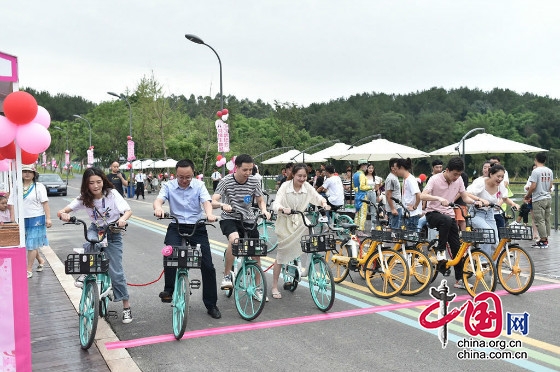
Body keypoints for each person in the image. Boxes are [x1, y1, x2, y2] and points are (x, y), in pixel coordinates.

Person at [57, 167, 133, 323]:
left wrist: (123, 219)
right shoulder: (84, 197)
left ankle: (126, 307)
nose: (95, 186)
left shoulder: (112, 194)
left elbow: (127, 210)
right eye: (91, 183)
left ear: (103, 181)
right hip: (96, 229)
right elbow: (64, 210)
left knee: (116, 272)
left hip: (113, 231)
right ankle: (86, 273)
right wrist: (63, 214)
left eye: (98, 182)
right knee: (91, 243)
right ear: (86, 184)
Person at [153, 159, 221, 319]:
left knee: (208, 266)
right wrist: (158, 208)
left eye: (188, 177)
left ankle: (211, 304)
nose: (184, 181)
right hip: (176, 225)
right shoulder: (168, 185)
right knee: (170, 253)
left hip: (197, 226)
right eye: (180, 177)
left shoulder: (199, 185)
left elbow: (206, 202)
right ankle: (169, 290)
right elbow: (159, 200)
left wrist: (209, 214)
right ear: (175, 175)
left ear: (193, 175)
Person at [420, 157, 486, 290]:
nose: (457, 177)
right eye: (455, 174)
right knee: (446, 220)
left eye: (459, 174)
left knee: (457, 248)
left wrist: (476, 202)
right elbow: (422, 195)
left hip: (449, 216)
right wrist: (438, 198)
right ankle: (441, 250)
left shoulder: (459, 179)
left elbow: (464, 196)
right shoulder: (435, 179)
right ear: (447, 170)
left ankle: (459, 279)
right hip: (433, 214)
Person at [212, 154, 271, 301]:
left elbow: (260, 200)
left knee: (256, 252)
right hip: (230, 218)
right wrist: (222, 205)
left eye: (250, 170)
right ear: (236, 168)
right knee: (235, 240)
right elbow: (213, 200)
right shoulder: (225, 181)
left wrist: (264, 210)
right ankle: (226, 276)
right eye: (245, 170)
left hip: (248, 219)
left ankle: (258, 288)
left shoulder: (254, 181)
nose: (248, 173)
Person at [271, 163, 329, 299]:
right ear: (293, 175)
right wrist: (282, 209)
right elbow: (276, 203)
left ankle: (308, 264)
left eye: (304, 176)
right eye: (299, 176)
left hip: (300, 219)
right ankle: (274, 286)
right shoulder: (285, 186)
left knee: (312, 237)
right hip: (285, 222)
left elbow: (317, 197)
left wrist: (324, 203)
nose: (302, 179)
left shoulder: (307, 187)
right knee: (281, 255)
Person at [466, 164, 519, 258]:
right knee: (487, 233)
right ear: (491, 174)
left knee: (495, 239)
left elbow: (505, 198)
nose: (500, 179)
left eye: (502, 177)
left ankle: (493, 265)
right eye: (498, 176)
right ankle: (483, 260)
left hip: (490, 214)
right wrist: (480, 200)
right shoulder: (481, 182)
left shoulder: (501, 185)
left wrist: (513, 204)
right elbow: (467, 193)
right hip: (476, 213)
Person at [8, 164, 51, 278]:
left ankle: (28, 269)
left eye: (29, 172)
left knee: (31, 244)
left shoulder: (39, 186)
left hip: (36, 218)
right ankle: (41, 260)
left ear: (34, 174)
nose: (27, 173)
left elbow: (45, 203)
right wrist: (12, 218)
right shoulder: (17, 186)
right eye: (24, 171)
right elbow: (11, 202)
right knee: (27, 242)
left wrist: (48, 218)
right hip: (21, 218)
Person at [525, 152, 553, 248]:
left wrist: (528, 195)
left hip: (538, 199)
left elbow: (533, 186)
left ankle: (543, 241)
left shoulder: (535, 171)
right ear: (544, 160)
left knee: (539, 220)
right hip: (548, 198)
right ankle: (546, 238)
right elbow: (550, 186)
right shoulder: (550, 171)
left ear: (535, 160)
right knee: (547, 219)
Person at [395, 158, 421, 230]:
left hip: (412, 214)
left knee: (411, 237)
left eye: (397, 169)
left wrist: (415, 207)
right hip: (407, 212)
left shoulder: (410, 179)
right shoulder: (405, 179)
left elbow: (418, 195)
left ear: (402, 168)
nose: (396, 171)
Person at [353, 160, 373, 234]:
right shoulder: (362, 175)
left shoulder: (355, 174)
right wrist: (371, 187)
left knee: (357, 213)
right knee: (363, 213)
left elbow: (353, 186)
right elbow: (362, 187)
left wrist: (357, 190)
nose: (366, 168)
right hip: (362, 196)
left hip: (357, 195)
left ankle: (355, 228)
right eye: (366, 166)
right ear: (362, 166)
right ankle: (361, 230)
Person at [384, 158, 403, 231]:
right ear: (392, 168)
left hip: (396, 206)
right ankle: (394, 242)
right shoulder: (392, 178)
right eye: (397, 165)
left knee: (392, 227)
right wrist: (392, 208)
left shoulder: (394, 177)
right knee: (395, 229)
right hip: (395, 207)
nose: (399, 167)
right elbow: (388, 194)